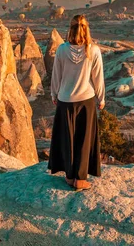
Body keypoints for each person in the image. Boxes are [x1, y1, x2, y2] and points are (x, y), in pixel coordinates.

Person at [48, 15, 105, 190]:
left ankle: (69, 175)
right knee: (83, 139)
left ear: (70, 29)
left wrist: (54, 94)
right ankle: (80, 179)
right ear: (87, 29)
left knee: (67, 139)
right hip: (86, 101)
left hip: (65, 100)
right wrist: (101, 98)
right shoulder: (93, 50)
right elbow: (98, 77)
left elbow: (56, 75)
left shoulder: (61, 50)